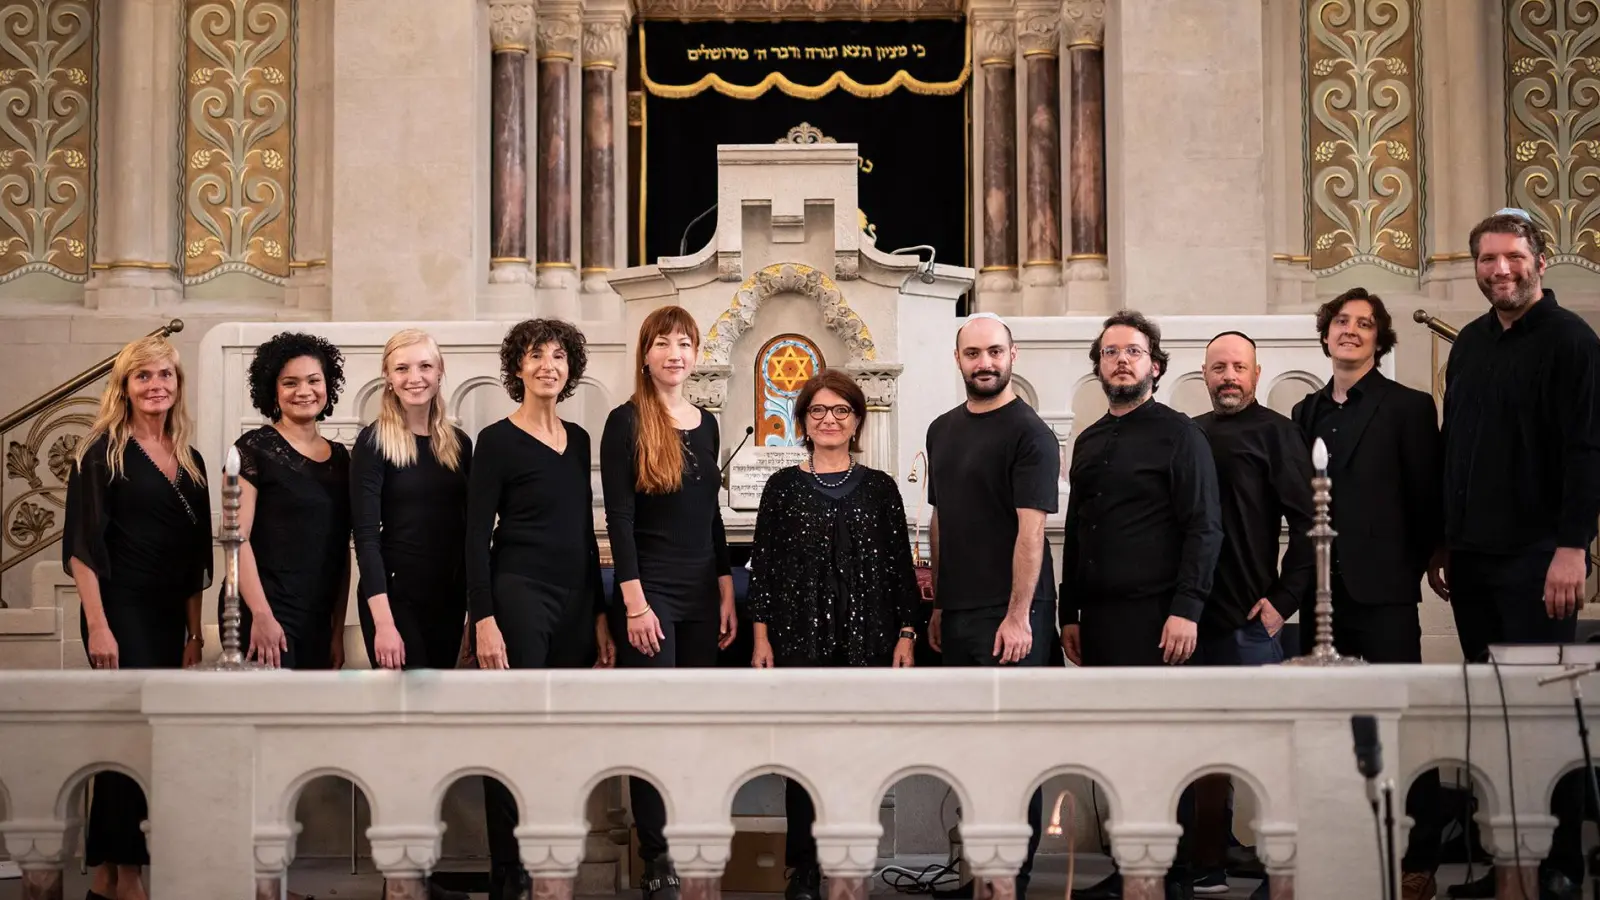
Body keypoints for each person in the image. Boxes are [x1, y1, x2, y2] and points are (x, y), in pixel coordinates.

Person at [1437, 209, 1600, 900]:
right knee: (1493, 714)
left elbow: (1588, 450)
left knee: (1543, 715)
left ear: (1540, 259)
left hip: (1539, 558)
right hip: (1472, 557)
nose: (1500, 270)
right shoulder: (1472, 343)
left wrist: (1572, 548)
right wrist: (1445, 539)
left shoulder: (1572, 342)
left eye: (1512, 257)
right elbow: (1456, 446)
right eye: (1487, 259)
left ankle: (1558, 865)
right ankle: (1506, 863)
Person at [1289, 289, 1445, 900]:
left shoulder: (1408, 406)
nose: (1350, 330)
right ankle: (1344, 850)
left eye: (1364, 324)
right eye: (1340, 322)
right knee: (1330, 727)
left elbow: (1425, 494)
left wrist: (1426, 558)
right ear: (1326, 334)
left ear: (1380, 339)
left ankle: (1417, 857)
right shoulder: (1303, 411)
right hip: (1321, 594)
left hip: (1383, 592)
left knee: (1399, 722)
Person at [1062, 310, 1222, 900]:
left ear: (1155, 365)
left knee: (1160, 747)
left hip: (1159, 617)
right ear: (1099, 366)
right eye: (1110, 352)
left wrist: (1188, 608)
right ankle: (1132, 867)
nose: (1121, 361)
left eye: (1133, 351)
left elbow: (1204, 527)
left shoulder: (1181, 434)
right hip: (1100, 619)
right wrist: (1069, 612)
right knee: (1119, 747)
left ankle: (1167, 875)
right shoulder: (1088, 440)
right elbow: (1077, 530)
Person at [748, 369, 919, 900]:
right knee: (802, 756)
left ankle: (850, 860)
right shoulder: (781, 487)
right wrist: (761, 639)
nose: (829, 419)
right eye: (818, 410)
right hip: (798, 641)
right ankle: (803, 868)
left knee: (857, 754)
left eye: (841, 410)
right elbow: (764, 571)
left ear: (857, 420)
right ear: (802, 421)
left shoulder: (881, 488)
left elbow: (900, 570)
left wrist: (907, 633)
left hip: (870, 641)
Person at [469, 319, 614, 900]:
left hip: (576, 600)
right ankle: (510, 873)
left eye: (558, 356)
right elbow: (475, 537)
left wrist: (600, 614)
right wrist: (484, 618)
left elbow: (585, 534)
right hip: (518, 594)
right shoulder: (496, 440)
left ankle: (550, 863)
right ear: (518, 368)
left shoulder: (579, 439)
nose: (548, 366)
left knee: (560, 739)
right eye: (536, 356)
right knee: (514, 732)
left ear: (570, 369)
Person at [64, 335, 213, 900]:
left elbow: (195, 559)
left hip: (168, 616)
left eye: (165, 375)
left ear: (178, 384)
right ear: (124, 387)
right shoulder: (101, 451)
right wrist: (99, 625)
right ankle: (129, 876)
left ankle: (107, 878)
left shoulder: (192, 461)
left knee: (147, 741)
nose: (156, 385)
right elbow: (82, 549)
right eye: (143, 376)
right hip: (118, 610)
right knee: (128, 739)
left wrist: (195, 633)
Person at [600, 305, 736, 900]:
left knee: (696, 725)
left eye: (684, 343)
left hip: (702, 591)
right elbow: (619, 520)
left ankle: (692, 843)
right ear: (645, 354)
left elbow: (711, 518)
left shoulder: (708, 424)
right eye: (662, 343)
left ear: (696, 354)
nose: (674, 353)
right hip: (649, 591)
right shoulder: (624, 421)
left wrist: (725, 587)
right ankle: (657, 857)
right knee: (654, 724)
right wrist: (634, 603)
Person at [924, 312, 1058, 898]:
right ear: (958, 359)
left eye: (995, 352)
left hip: (1011, 617)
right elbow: (941, 519)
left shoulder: (1031, 434)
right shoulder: (941, 430)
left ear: (1013, 355)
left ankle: (1010, 882)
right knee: (971, 750)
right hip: (959, 612)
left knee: (1012, 752)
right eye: (973, 353)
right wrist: (939, 603)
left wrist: (1019, 616)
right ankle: (981, 873)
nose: (985, 363)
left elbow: (1033, 533)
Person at [1188, 331, 1314, 898]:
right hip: (1190, 621)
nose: (1229, 377)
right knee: (1202, 751)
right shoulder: (1189, 433)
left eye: (1239, 367)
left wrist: (1284, 601)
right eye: (1219, 367)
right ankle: (1208, 861)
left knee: (1264, 751)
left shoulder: (1277, 433)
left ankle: (1282, 870)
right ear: (1204, 374)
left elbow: (1311, 524)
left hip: (1249, 620)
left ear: (1256, 374)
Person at [351, 329, 472, 672]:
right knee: (407, 700)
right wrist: (384, 623)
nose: (414, 378)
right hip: (394, 598)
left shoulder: (460, 444)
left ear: (440, 371)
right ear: (388, 377)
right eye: (402, 368)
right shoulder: (373, 442)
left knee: (438, 699)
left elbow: (469, 533)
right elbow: (366, 538)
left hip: (448, 599)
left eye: (425, 366)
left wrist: (474, 612)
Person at [230, 331, 351, 671]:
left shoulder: (342, 459)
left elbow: (340, 551)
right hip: (266, 615)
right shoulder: (252, 449)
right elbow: (236, 540)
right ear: (273, 389)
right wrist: (261, 615)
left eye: (314, 380)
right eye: (290, 383)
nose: (304, 391)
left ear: (328, 385)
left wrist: (337, 631)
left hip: (318, 619)